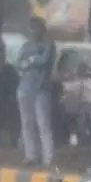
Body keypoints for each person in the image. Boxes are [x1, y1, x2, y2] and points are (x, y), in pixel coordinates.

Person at [16, 17, 56, 167]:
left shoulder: (49, 45)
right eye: (32, 28)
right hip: (25, 88)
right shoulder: (26, 45)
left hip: (40, 89)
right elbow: (18, 63)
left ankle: (48, 158)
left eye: (37, 27)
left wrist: (31, 61)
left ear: (43, 29)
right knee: (26, 124)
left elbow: (44, 60)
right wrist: (31, 61)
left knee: (43, 124)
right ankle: (31, 155)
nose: (34, 31)